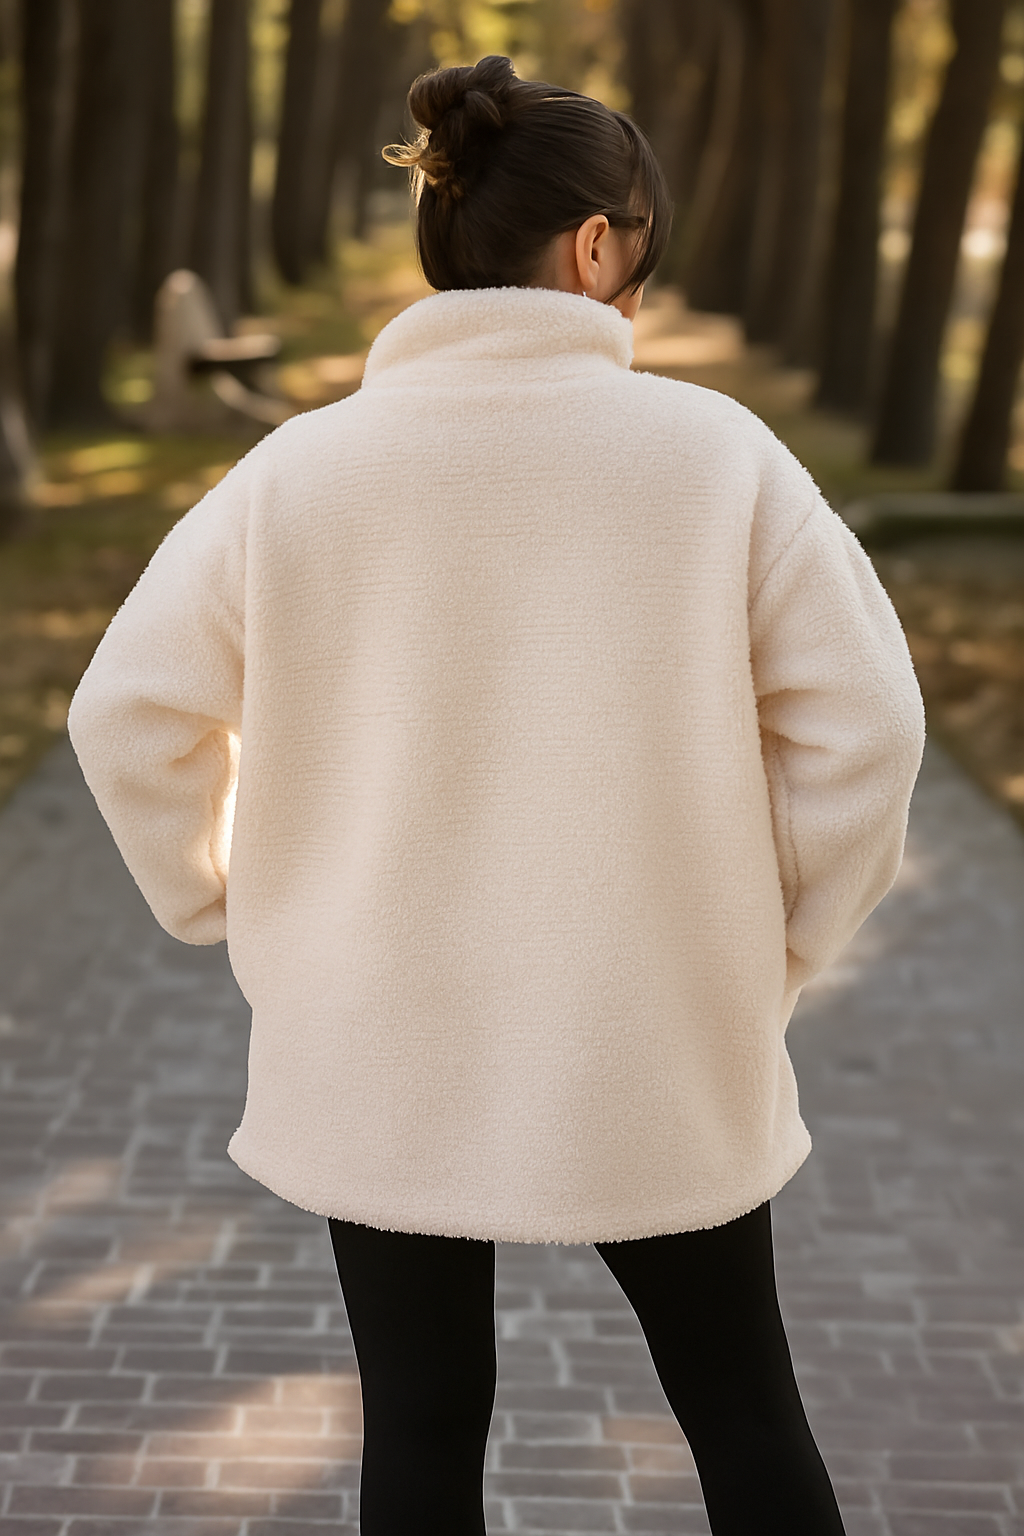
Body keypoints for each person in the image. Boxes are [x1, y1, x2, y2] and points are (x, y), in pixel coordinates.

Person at [67, 53, 925, 1536]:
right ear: (598, 246)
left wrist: (232, 906)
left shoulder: (299, 473)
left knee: (416, 1422)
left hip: (376, 1028)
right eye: (645, 247)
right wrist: (771, 943)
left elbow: (127, 713)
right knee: (740, 1409)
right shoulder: (718, 458)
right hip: (652, 1026)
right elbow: (870, 728)